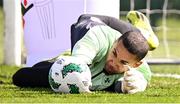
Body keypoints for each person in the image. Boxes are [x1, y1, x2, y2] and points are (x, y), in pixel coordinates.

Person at [12, 11, 159, 94]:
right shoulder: (95, 40)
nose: (113, 63)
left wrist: (140, 83)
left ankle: (144, 35)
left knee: (136, 42)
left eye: (123, 62)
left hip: (116, 40)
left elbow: (145, 76)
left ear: (136, 64)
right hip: (91, 23)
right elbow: (19, 77)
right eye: (114, 53)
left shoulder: (141, 67)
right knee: (131, 35)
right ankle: (143, 33)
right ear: (114, 43)